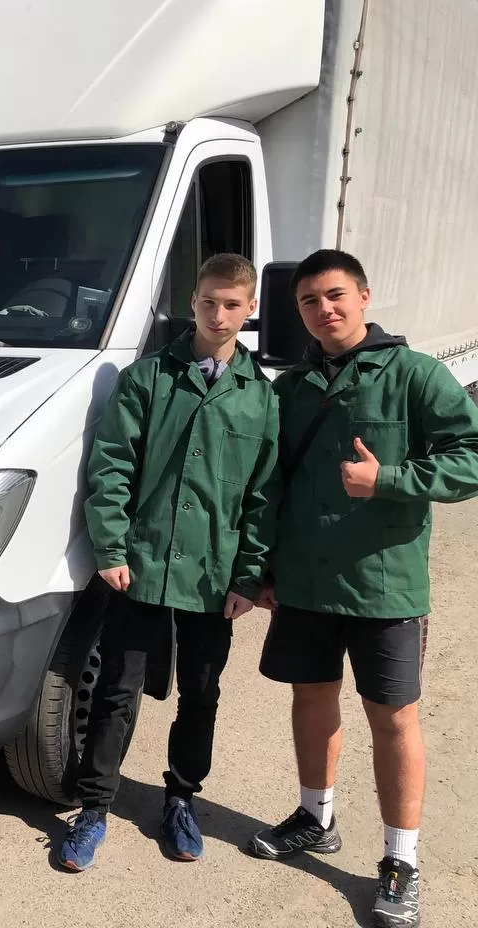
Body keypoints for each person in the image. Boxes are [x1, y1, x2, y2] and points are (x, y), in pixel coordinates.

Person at [247, 249, 478, 928]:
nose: (324, 310)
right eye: (309, 302)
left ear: (365, 296)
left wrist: (390, 480)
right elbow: (270, 485)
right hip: (304, 583)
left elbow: (471, 457)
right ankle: (315, 818)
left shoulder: (414, 375)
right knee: (311, 699)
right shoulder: (291, 389)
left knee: (393, 720)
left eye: (335, 295)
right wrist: (263, 569)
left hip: (385, 586)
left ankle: (401, 862)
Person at [56, 252, 280, 871]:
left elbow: (263, 496)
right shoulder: (149, 378)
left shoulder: (260, 398)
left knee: (200, 694)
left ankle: (181, 799)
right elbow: (111, 466)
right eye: (208, 301)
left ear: (250, 308)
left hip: (214, 576)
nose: (218, 315)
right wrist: (111, 547)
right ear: (192, 302)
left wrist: (248, 576)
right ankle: (94, 807)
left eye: (231, 304)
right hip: (143, 566)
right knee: (116, 690)